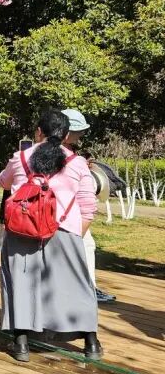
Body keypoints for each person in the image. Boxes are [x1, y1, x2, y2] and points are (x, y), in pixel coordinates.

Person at [0, 109, 101, 362]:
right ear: (66, 135)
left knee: (20, 284)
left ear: (38, 132)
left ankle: (21, 344)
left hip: (22, 230)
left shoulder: (20, 157)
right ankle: (92, 343)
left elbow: (3, 182)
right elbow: (88, 204)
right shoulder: (77, 163)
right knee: (77, 286)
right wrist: (75, 234)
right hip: (64, 230)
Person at [61, 108, 116, 304]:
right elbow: (86, 203)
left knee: (85, 246)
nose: (81, 135)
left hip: (58, 213)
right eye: (79, 131)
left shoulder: (48, 151)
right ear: (67, 131)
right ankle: (87, 289)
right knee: (83, 245)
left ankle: (85, 287)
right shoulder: (69, 157)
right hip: (69, 216)